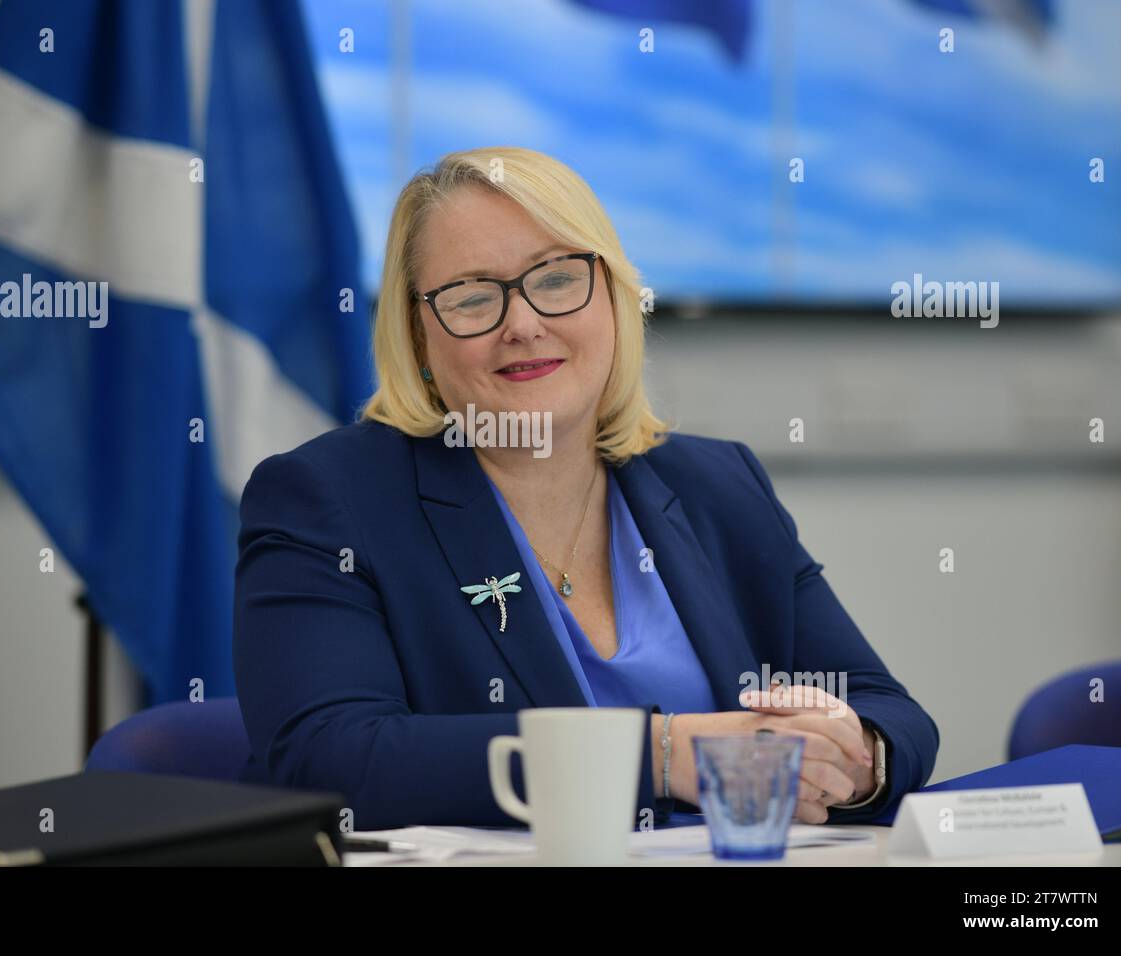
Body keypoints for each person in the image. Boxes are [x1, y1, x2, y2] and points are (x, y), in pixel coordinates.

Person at [233, 145, 939, 831]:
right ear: (419, 341)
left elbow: (887, 709)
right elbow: (332, 758)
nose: (523, 324)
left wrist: (854, 757)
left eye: (556, 279)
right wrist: (667, 756)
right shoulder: (328, 501)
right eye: (473, 298)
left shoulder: (717, 485)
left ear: (614, 299)